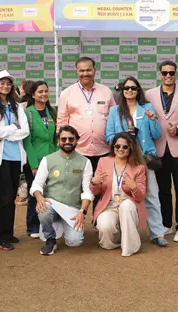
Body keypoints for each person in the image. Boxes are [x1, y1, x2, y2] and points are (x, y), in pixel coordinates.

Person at [106, 76, 167, 247]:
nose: (130, 91)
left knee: (152, 195)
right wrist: (123, 138)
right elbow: (108, 136)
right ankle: (119, 232)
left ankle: (157, 233)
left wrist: (154, 120)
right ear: (122, 91)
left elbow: (156, 135)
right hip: (122, 159)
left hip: (144, 158)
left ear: (138, 90)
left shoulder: (147, 108)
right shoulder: (114, 111)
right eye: (126, 88)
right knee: (120, 196)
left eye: (133, 88)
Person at [145, 61, 178, 243]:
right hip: (158, 149)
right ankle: (166, 223)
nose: (168, 76)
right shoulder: (149, 95)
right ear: (159, 74)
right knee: (162, 189)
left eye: (171, 73)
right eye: (164, 73)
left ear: (175, 74)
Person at [30, 125, 94, 256]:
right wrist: (39, 198)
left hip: (72, 208)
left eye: (71, 139)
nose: (67, 142)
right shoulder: (47, 160)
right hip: (52, 204)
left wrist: (82, 211)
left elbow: (87, 191)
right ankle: (50, 239)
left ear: (77, 140)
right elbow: (36, 184)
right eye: (63, 139)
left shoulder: (85, 162)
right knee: (43, 208)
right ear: (58, 141)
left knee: (74, 242)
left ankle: (65, 225)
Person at [0, 71, 30, 251]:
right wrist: (12, 129)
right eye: (2, 83)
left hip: (15, 157)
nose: (5, 86)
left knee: (11, 196)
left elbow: (25, 130)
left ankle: (8, 232)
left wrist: (8, 134)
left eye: (8, 83)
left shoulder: (16, 106)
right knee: (1, 198)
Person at [90, 133, 147, 257]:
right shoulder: (103, 161)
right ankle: (120, 237)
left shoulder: (139, 167)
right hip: (109, 205)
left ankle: (129, 248)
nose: (120, 149)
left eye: (125, 147)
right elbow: (96, 192)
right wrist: (93, 183)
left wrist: (134, 188)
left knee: (125, 206)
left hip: (130, 206)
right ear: (113, 147)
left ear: (131, 148)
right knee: (105, 229)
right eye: (117, 146)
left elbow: (141, 197)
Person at [57, 56, 116, 174]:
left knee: (101, 184)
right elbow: (62, 122)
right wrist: (63, 147)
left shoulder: (106, 91)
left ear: (94, 71)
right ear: (76, 72)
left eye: (88, 70)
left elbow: (114, 118)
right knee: (78, 186)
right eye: (81, 70)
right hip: (77, 150)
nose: (85, 73)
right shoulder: (66, 93)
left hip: (103, 150)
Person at [22, 80, 57, 239]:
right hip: (35, 159)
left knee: (51, 191)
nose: (43, 94)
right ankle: (33, 226)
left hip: (52, 158)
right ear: (33, 94)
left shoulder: (52, 112)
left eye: (46, 91)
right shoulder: (27, 113)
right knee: (34, 192)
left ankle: (49, 224)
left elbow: (56, 139)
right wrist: (34, 165)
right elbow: (27, 141)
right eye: (40, 92)